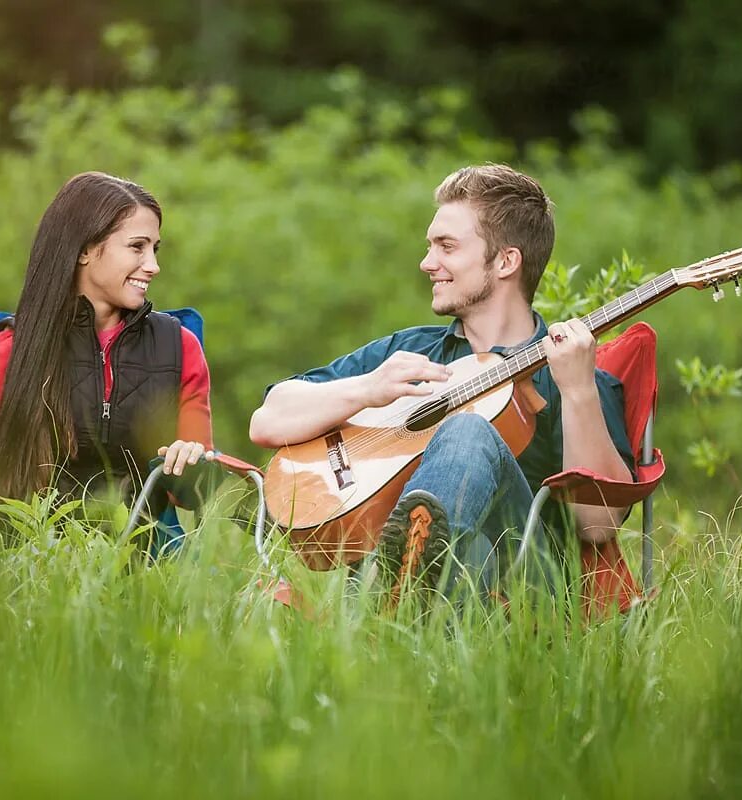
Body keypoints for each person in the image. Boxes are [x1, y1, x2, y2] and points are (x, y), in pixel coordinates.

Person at [249, 164, 635, 605]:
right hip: (430, 590)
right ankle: (399, 599)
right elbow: (268, 419)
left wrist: (579, 391)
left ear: (507, 261)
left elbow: (599, 523)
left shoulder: (573, 373)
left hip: (522, 587)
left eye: (446, 247)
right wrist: (366, 390)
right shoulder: (411, 354)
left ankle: (383, 603)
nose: (427, 263)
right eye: (430, 246)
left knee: (468, 429)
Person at [0, 172, 214, 547]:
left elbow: (195, 496)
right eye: (137, 247)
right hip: (27, 558)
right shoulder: (7, 354)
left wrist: (193, 463)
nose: (152, 265)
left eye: (155, 249)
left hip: (141, 565)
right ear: (84, 249)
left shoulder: (180, 348)